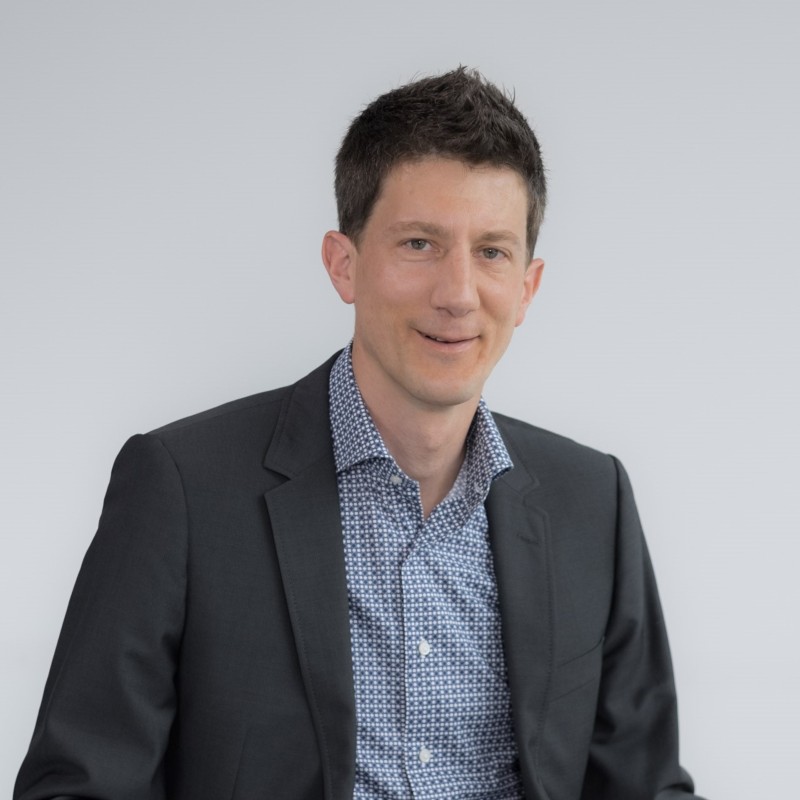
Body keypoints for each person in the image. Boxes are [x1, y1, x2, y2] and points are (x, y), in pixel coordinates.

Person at [15, 67, 706, 800]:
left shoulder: (592, 500)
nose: (458, 294)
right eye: (420, 244)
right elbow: (77, 786)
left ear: (527, 287)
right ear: (343, 266)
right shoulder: (182, 488)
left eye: (492, 252)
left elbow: (646, 785)